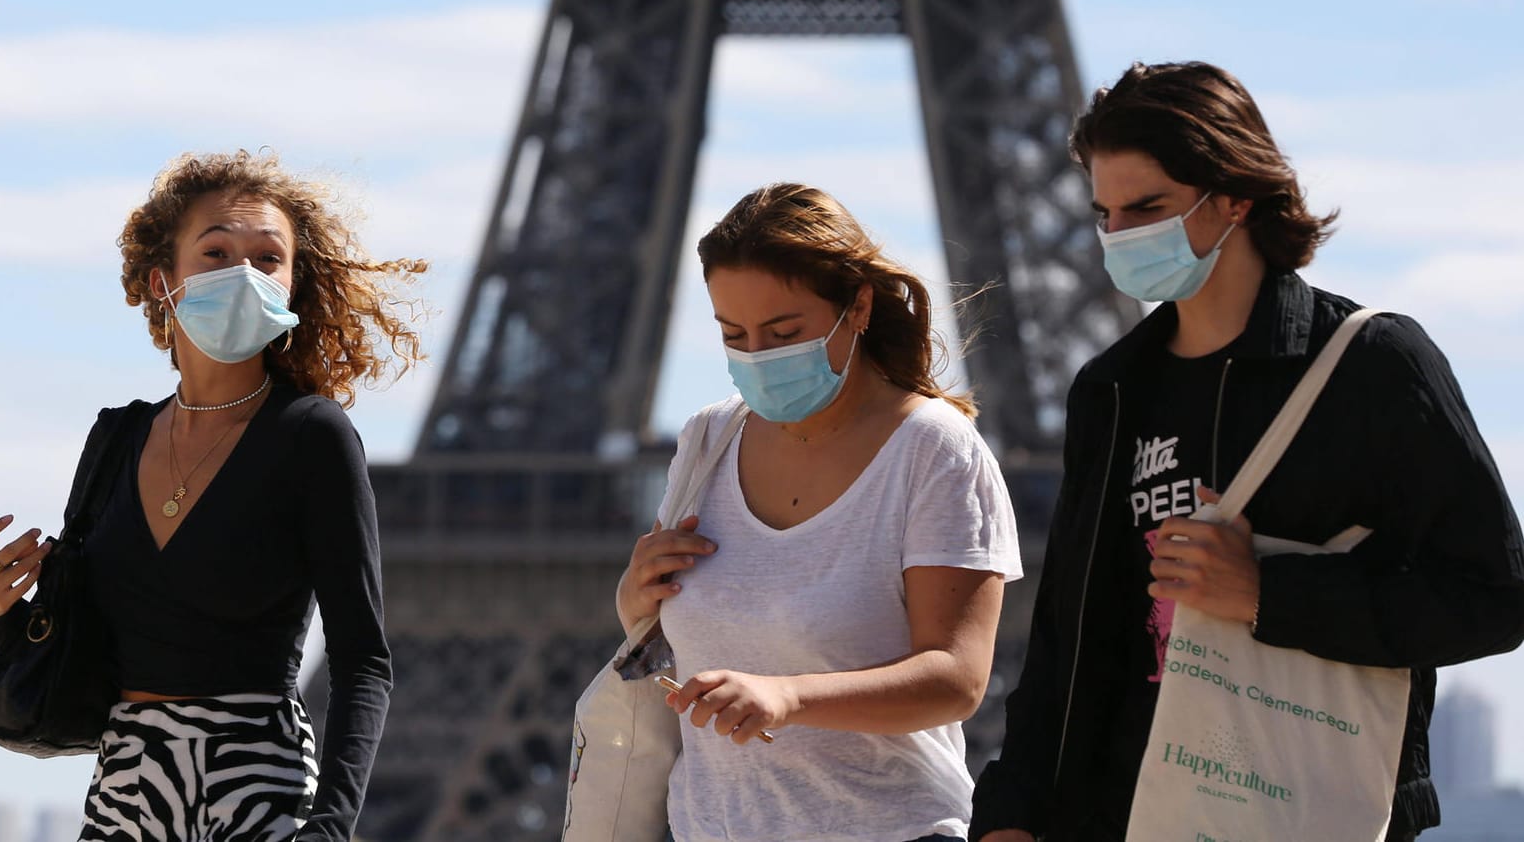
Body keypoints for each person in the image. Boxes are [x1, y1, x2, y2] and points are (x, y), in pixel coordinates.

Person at [968, 61, 1524, 842]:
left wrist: (1269, 593)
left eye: (1149, 208)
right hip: (1124, 815)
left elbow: (1497, 599)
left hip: (1304, 809)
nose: (1119, 237)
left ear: (1235, 195)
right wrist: (1011, 814)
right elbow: (1066, 630)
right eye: (1104, 214)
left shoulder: (1372, 365)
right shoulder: (1113, 388)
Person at [0, 149, 426, 841]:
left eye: (267, 257)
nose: (243, 272)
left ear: (292, 286)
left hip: (260, 783)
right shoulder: (115, 439)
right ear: (164, 280)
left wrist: (330, 827)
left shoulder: (311, 436)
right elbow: (79, 650)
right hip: (126, 786)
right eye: (215, 251)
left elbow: (362, 656)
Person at [617, 183, 1022, 842]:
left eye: (783, 332)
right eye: (733, 335)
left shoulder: (933, 451)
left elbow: (956, 679)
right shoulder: (706, 442)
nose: (757, 355)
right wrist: (634, 597)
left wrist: (790, 696)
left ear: (857, 307)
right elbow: (674, 652)